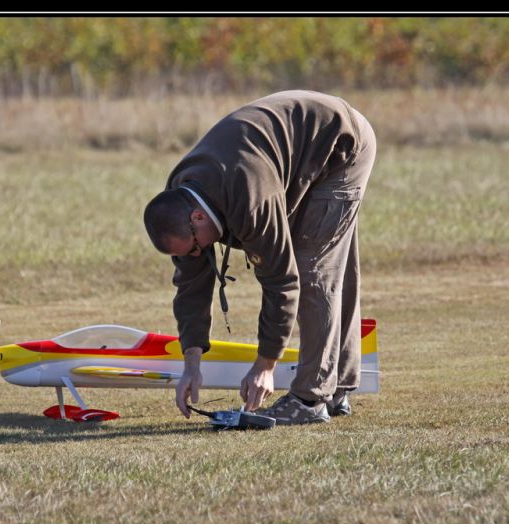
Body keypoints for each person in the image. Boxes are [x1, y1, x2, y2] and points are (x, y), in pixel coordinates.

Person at [143, 90, 376, 425]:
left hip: (341, 145)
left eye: (194, 247)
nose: (196, 255)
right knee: (323, 265)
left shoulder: (249, 198)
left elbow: (283, 282)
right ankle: (336, 387)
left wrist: (265, 366)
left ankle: (311, 398)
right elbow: (191, 284)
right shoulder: (181, 200)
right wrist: (191, 364)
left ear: (197, 218)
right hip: (294, 150)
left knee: (315, 270)